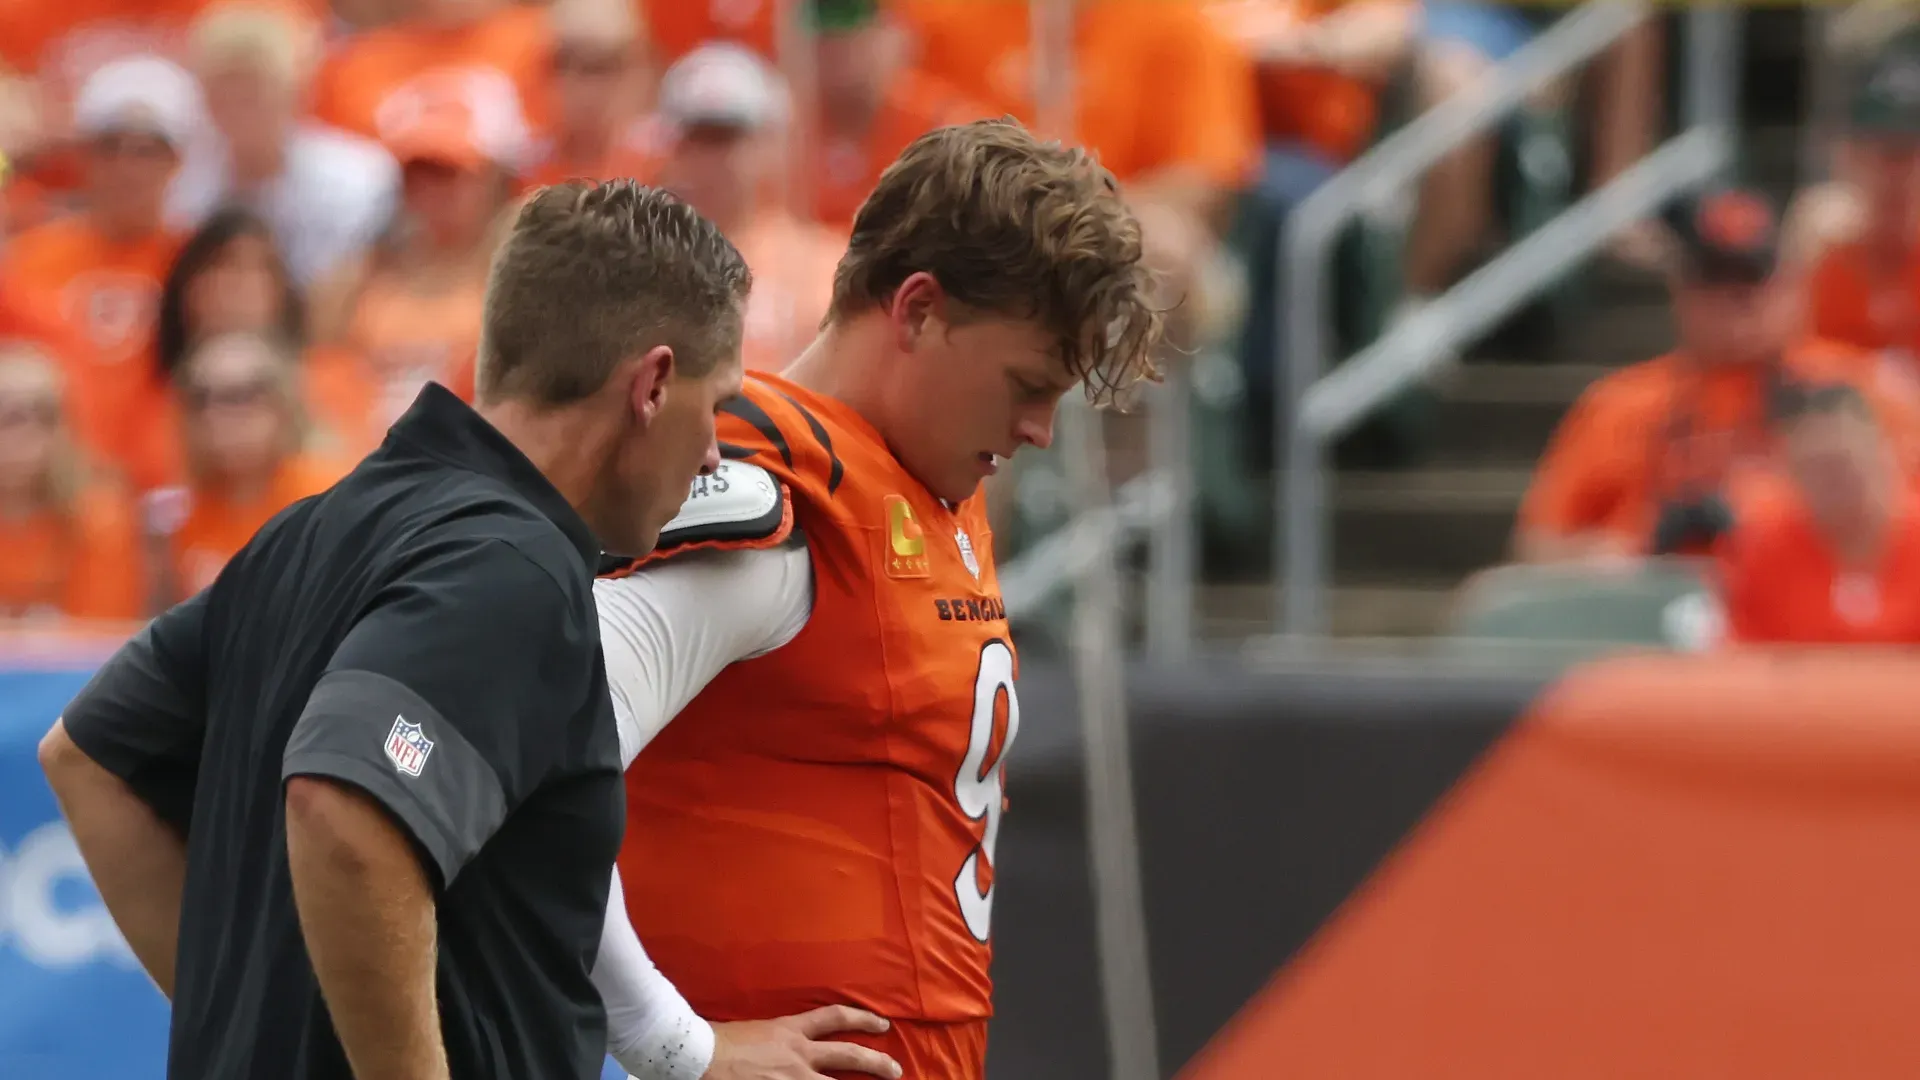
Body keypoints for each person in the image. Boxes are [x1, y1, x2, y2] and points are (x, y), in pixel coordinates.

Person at [35, 180, 752, 1080]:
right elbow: (344, 804)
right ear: (652, 385)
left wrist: (257, 1036)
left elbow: (87, 755)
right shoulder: (513, 567)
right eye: (715, 405)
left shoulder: (311, 527)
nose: (714, 450)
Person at [590, 119, 1161, 1079]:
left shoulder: (926, 487)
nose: (1039, 429)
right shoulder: (786, 489)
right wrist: (672, 1044)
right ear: (919, 310)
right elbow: (542, 740)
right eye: (1027, 383)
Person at [1515, 189, 1920, 564]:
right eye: (1714, 280)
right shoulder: (1618, 403)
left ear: (1791, 285)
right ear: (1680, 291)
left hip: (1807, 601)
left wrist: (1768, 514)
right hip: (1660, 596)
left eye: (1750, 280)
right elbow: (1537, 546)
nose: (1733, 302)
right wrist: (1626, 550)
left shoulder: (1857, 388)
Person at [0, 55, 195, 491]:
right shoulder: (29, 257)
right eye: (110, 146)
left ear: (177, 160)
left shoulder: (199, 260)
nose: (127, 167)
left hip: (171, 488)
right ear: (84, 157)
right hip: (52, 490)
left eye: (147, 149)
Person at [168, 1, 399, 287]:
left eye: (254, 92)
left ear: (294, 92)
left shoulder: (359, 180)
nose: (239, 107)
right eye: (224, 91)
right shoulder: (184, 189)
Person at [655, 42, 843, 371]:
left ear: (771, 144)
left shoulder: (820, 267)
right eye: (694, 140)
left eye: (725, 139)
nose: (707, 160)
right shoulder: (647, 262)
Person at [1717, 382, 1920, 645]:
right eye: (1817, 470)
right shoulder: (1764, 550)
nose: (1836, 484)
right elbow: (1743, 649)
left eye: (1845, 464)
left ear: (1883, 454)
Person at [151, 331, 345, 601]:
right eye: (200, 400)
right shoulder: (185, 515)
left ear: (282, 406)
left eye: (239, 396)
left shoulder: (327, 498)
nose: (216, 415)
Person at [0, 344, 145, 622]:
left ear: (63, 428)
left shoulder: (101, 518)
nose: (14, 435)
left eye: (36, 414)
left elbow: (100, 631)